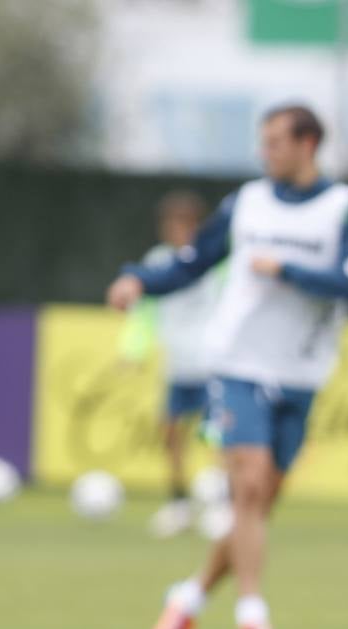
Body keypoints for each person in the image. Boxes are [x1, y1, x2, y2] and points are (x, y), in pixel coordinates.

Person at [105, 103, 348, 629]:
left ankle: (189, 596)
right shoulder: (246, 203)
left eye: (275, 141)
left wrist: (285, 269)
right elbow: (191, 262)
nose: (265, 152)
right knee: (248, 486)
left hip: (302, 372)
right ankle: (252, 614)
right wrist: (138, 278)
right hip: (236, 363)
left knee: (261, 504)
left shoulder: (347, 208)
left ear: (308, 144)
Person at [116, 190, 225, 539]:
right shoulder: (158, 260)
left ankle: (220, 504)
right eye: (170, 224)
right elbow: (144, 314)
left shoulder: (215, 261)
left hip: (212, 364)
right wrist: (133, 351)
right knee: (172, 433)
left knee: (216, 435)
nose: (176, 231)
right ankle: (179, 503)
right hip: (177, 364)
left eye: (183, 224)